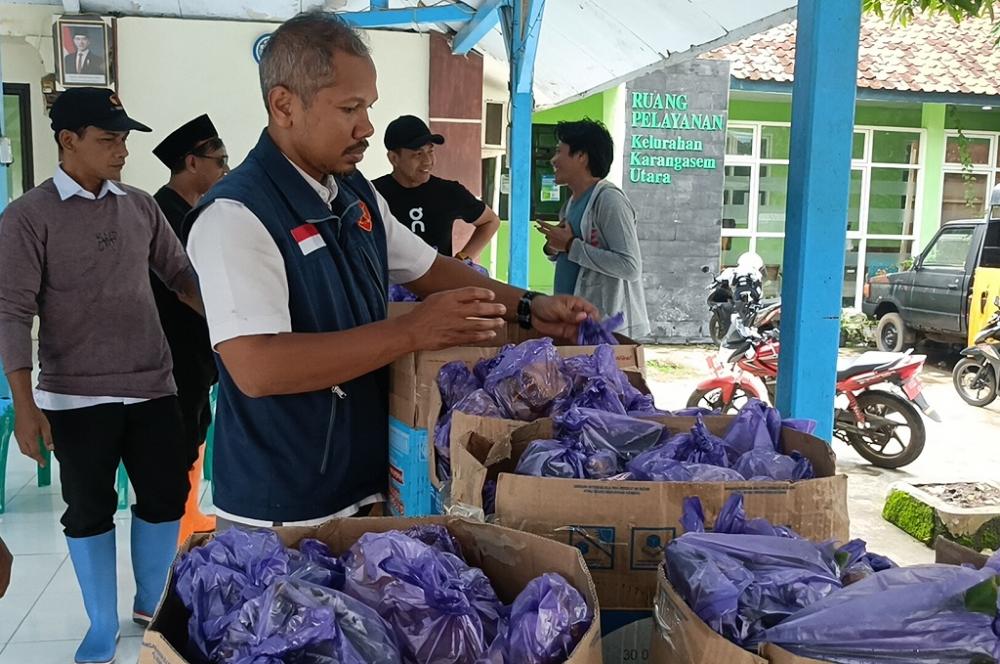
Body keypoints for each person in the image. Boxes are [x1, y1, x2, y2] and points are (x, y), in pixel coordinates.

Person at [184, 12, 596, 531]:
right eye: (349, 108)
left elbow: (429, 269)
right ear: (284, 105)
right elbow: (258, 368)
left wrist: (528, 306)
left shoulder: (354, 193)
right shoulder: (237, 215)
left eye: (369, 107)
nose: (367, 128)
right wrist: (411, 330)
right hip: (282, 508)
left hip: (365, 482)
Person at [0, 88, 202, 664]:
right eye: (108, 139)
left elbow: (181, 276)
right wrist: (25, 403)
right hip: (74, 394)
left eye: (124, 139)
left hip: (153, 384)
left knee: (165, 497)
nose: (122, 151)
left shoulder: (140, 206)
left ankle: (150, 602)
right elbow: (11, 311)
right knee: (88, 507)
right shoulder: (26, 218)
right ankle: (97, 623)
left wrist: (235, 330)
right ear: (68, 141)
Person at [151, 114, 230, 542]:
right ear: (192, 162)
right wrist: (229, 321)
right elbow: (185, 289)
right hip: (172, 350)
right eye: (219, 161)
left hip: (196, 352)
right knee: (178, 438)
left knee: (197, 427)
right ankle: (178, 531)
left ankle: (191, 513)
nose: (224, 170)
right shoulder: (164, 213)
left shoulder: (195, 211)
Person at [536, 119, 650, 338]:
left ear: (581, 156)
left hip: (605, 329)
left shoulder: (609, 200)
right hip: (572, 324)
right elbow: (573, 255)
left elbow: (629, 266)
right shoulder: (570, 203)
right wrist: (554, 248)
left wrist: (569, 245)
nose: (553, 160)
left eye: (560, 151)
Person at [373, 115, 500, 259]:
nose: (427, 161)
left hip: (439, 281)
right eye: (418, 154)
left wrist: (462, 260)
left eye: (430, 151)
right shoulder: (372, 194)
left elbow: (490, 221)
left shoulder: (448, 192)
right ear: (394, 158)